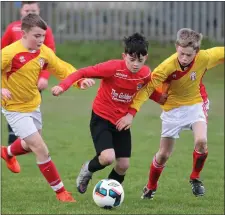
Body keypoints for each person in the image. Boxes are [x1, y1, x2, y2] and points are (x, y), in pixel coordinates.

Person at [51, 32, 168, 194]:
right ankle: (88, 169)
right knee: (107, 158)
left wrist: (162, 99)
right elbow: (82, 72)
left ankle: (108, 194)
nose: (135, 64)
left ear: (146, 58)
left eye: (140, 61)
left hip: (122, 121)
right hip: (101, 118)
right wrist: (62, 86)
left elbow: (148, 91)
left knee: (123, 165)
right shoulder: (112, 68)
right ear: (124, 56)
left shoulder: (145, 74)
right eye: (131, 59)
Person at [116, 28, 224, 199]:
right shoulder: (166, 67)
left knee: (201, 141)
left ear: (196, 51)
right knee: (163, 155)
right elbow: (147, 89)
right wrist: (131, 113)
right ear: (176, 47)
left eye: (189, 55)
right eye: (181, 53)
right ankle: (150, 187)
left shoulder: (205, 57)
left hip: (196, 103)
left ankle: (195, 178)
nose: (184, 58)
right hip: (172, 109)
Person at [1, 14, 95, 202]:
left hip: (33, 105)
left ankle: (7, 152)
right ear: (24, 33)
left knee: (29, 145)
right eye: (36, 36)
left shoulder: (44, 52)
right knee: (41, 148)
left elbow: (62, 68)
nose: (41, 40)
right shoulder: (9, 53)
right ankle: (61, 192)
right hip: (14, 109)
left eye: (43, 36)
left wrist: (79, 80)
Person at [1, 1, 55, 146]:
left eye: (33, 11)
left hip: (33, 81)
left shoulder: (45, 30)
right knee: (13, 108)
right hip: (12, 80)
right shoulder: (13, 28)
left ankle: (24, 144)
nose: (30, 13)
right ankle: (13, 141)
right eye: (27, 11)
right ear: (21, 12)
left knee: (31, 110)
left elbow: (50, 56)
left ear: (39, 11)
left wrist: (44, 77)